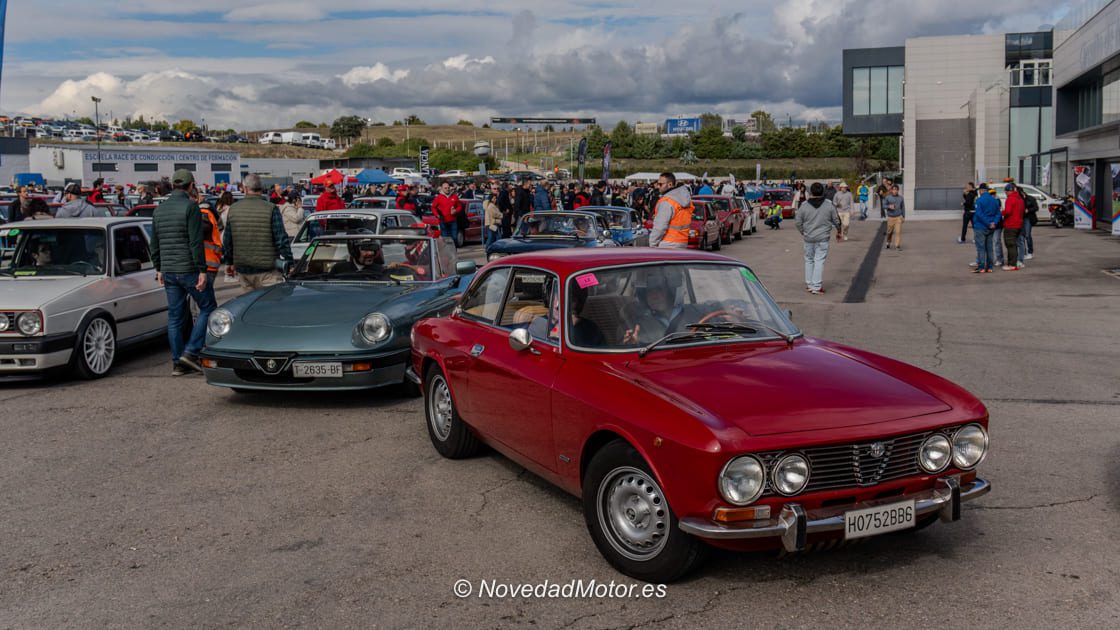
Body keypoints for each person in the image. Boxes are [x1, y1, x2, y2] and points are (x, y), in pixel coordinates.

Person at [149, 169, 216, 376]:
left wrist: (158, 267)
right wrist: (202, 270)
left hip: (168, 269)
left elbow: (154, 243)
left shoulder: (159, 210)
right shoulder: (191, 207)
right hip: (188, 268)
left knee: (175, 317)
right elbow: (196, 242)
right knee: (208, 307)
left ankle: (178, 362)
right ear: (190, 186)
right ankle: (191, 351)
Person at [222, 173, 294, 293]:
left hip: (244, 270)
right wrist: (290, 263)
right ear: (261, 188)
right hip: (267, 271)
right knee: (270, 307)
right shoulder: (271, 208)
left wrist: (229, 262)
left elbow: (227, 240)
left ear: (245, 188)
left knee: (249, 308)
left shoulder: (234, 209)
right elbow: (281, 239)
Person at [795, 182, 841, 295]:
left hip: (808, 237)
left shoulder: (804, 205)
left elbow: (798, 222)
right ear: (823, 191)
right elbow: (836, 220)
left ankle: (810, 284)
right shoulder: (829, 204)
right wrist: (839, 231)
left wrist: (803, 232)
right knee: (819, 261)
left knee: (809, 260)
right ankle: (816, 286)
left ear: (811, 192)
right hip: (823, 238)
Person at [648, 172, 693, 248]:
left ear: (670, 184)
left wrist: (652, 244)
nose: (658, 186)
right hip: (682, 242)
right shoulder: (684, 199)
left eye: (660, 184)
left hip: (667, 243)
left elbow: (660, 227)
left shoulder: (667, 201)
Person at [971, 183, 1000, 274]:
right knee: (989, 247)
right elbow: (998, 213)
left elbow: (979, 214)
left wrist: (987, 223)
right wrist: (993, 223)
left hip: (981, 227)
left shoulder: (979, 200)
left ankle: (981, 267)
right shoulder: (994, 200)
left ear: (981, 190)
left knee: (981, 248)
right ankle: (990, 267)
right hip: (991, 227)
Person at [1001, 184, 1025, 271]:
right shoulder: (1020, 199)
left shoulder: (1010, 199)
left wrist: (1001, 212)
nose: (1005, 193)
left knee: (1010, 245)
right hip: (1019, 224)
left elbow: (1008, 211)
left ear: (1008, 191)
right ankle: (1013, 263)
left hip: (1011, 225)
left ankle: (1012, 264)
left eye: (1006, 191)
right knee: (1014, 244)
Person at [883, 184, 905, 250]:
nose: (895, 191)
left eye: (896, 190)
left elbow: (903, 207)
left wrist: (903, 216)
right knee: (889, 232)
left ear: (898, 190)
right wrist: (889, 206)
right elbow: (884, 206)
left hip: (898, 217)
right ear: (891, 190)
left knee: (898, 232)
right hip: (891, 217)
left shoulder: (901, 198)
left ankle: (897, 245)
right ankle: (888, 242)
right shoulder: (888, 197)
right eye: (893, 189)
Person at [1019, 185, 1038, 261]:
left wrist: (1028, 210)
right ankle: (1023, 252)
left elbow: (1036, 208)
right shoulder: (1019, 199)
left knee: (1027, 235)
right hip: (1021, 218)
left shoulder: (1030, 198)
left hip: (1028, 218)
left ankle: (1030, 252)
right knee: (1021, 236)